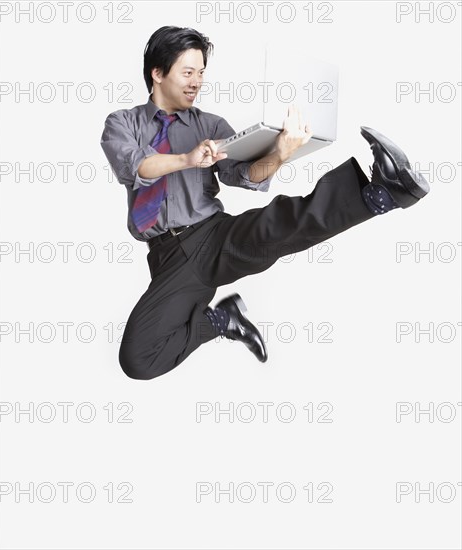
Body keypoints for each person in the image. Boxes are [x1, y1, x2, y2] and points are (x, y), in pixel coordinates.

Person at [100, 26, 430, 381]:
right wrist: (187, 158)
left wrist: (280, 154)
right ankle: (221, 320)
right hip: (166, 260)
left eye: (201, 73)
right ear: (158, 73)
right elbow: (135, 168)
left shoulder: (211, 125)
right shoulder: (122, 123)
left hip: (210, 237)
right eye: (187, 72)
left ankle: (381, 193)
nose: (197, 82)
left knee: (274, 227)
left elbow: (245, 176)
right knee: (137, 360)